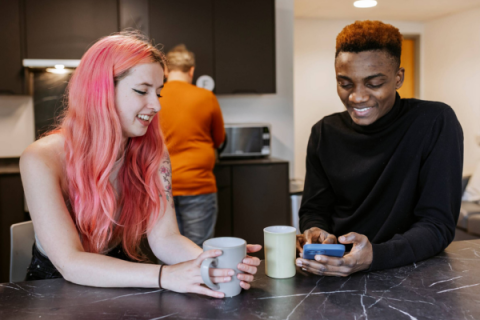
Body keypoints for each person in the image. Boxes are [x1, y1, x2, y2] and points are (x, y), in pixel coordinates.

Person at [20, 32, 260, 298]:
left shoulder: (153, 152)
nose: (156, 105)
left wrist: (214, 264)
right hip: (51, 292)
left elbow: (166, 239)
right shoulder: (40, 159)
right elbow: (70, 263)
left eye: (158, 92)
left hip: (122, 279)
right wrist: (165, 276)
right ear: (100, 91)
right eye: (141, 90)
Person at [296, 20, 463, 276]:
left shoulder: (434, 121)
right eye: (345, 83)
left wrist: (376, 255)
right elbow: (314, 209)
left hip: (410, 273)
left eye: (374, 83)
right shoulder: (323, 132)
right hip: (339, 271)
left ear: (398, 78)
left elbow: (437, 224)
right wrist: (316, 232)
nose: (357, 97)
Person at [159, 45, 225, 246]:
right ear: (191, 70)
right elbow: (219, 139)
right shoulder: (206, 96)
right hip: (198, 185)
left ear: (166, 70)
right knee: (199, 250)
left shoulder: (153, 97)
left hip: (161, 186)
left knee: (168, 248)